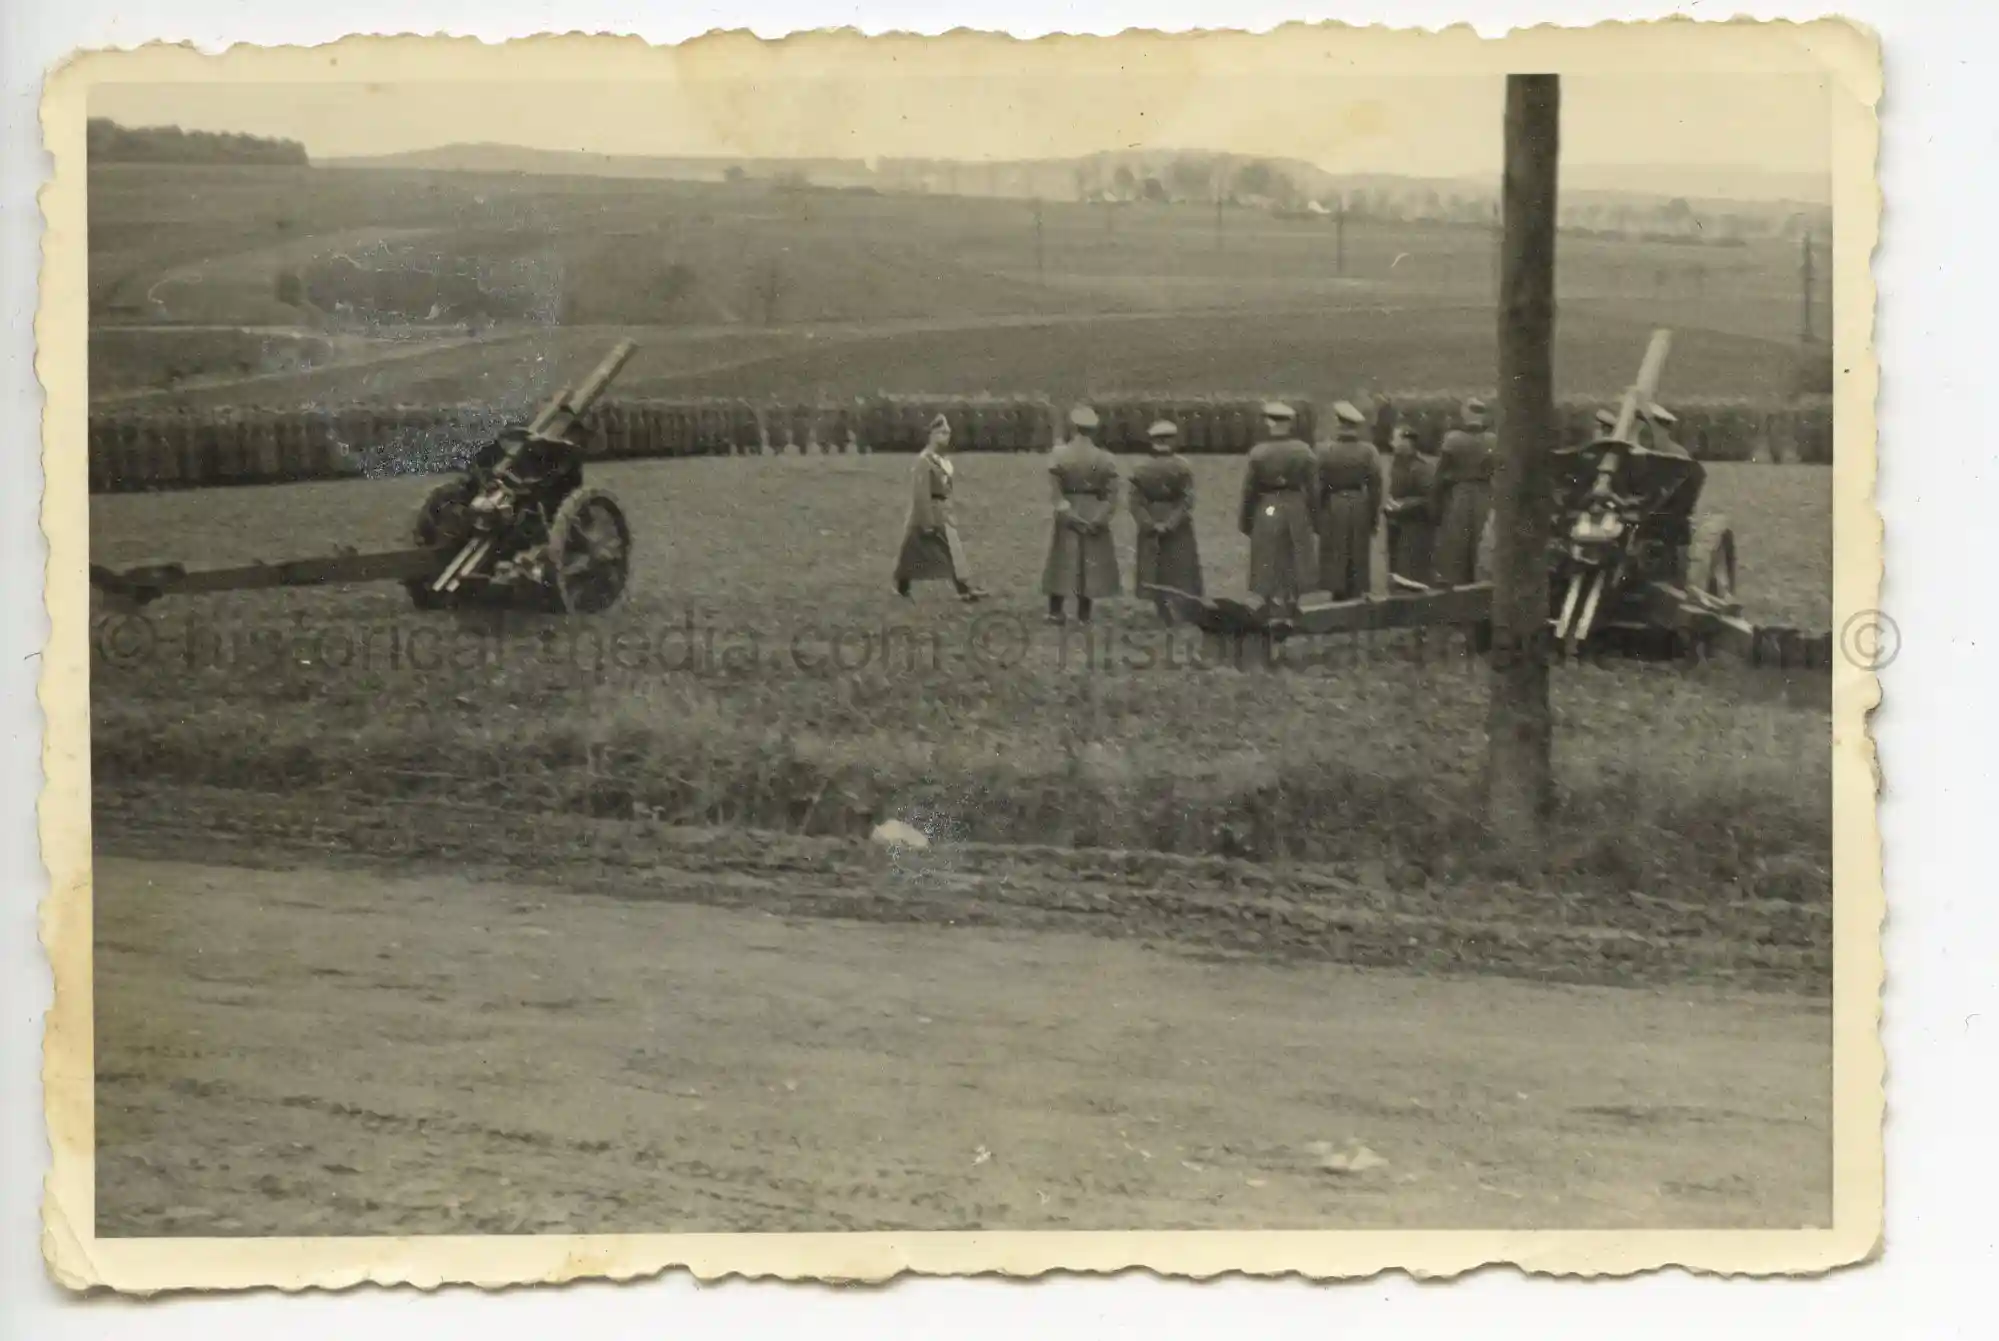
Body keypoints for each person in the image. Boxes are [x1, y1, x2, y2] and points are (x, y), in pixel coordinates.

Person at [1236, 401, 1319, 619]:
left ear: (1270, 422)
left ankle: (1269, 599)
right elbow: (1314, 488)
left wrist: (1245, 521)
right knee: (1294, 552)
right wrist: (1316, 518)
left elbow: (1249, 491)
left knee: (1267, 552)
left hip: (1268, 505)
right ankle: (1292, 600)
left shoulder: (1259, 452)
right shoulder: (1304, 451)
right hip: (1295, 504)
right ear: (1289, 424)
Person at [1041, 404, 1122, 624]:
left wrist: (1068, 514)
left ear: (1073, 427)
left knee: (1061, 560)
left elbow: (1056, 493)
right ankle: (1084, 613)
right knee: (1090, 561)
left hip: (1069, 507)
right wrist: (1099, 518)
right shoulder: (1106, 458)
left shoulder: (1059, 454)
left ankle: (1055, 611)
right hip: (1094, 507)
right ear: (1094, 430)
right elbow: (1112, 495)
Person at [893, 414, 987, 602]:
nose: (947, 436)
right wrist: (927, 521)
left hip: (942, 510)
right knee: (912, 552)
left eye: (948, 433)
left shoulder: (941, 461)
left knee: (951, 549)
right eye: (942, 433)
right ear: (932, 435)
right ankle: (903, 586)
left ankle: (964, 589)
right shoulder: (924, 461)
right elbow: (921, 493)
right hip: (926, 512)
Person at [1128, 418, 1203, 620]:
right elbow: (1187, 500)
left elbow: (1135, 502)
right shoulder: (1183, 466)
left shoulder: (1140, 468)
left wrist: (1149, 524)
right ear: (1171, 440)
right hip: (1177, 521)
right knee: (1180, 565)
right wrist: (1171, 523)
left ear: (1152, 441)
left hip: (1152, 515)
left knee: (1154, 564)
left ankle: (1160, 607)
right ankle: (1181, 606)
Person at [1312, 400, 1382, 601]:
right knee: (1358, 548)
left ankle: (1338, 591)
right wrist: (1373, 515)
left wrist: (1318, 513)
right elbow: (1376, 485)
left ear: (1338, 423)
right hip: (1360, 502)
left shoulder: (1324, 450)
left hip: (1334, 502)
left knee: (1336, 548)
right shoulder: (1368, 451)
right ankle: (1356, 590)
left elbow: (1316, 485)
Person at [1430, 396, 1496, 587]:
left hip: (1460, 494)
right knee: (1481, 540)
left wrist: (1435, 504)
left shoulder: (1453, 439)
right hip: (1485, 494)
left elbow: (1440, 474)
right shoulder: (1492, 440)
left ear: (1465, 414)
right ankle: (1478, 584)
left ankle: (1458, 583)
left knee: (1457, 541)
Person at [1382, 422, 1437, 588]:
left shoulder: (1421, 468)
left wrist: (1403, 505)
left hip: (1415, 530)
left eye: (1395, 439)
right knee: (1396, 573)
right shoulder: (1397, 463)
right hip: (1397, 525)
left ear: (1407, 442)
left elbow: (1430, 498)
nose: (1391, 442)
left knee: (1412, 578)